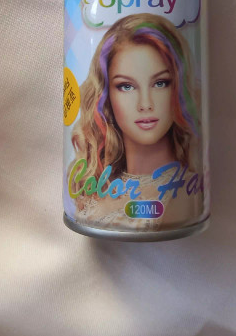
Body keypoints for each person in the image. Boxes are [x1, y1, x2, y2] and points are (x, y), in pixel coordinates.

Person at [71, 13, 203, 229]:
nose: (145, 104)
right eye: (126, 86)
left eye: (160, 83)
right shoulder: (98, 187)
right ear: (106, 98)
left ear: (178, 89)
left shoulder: (185, 195)